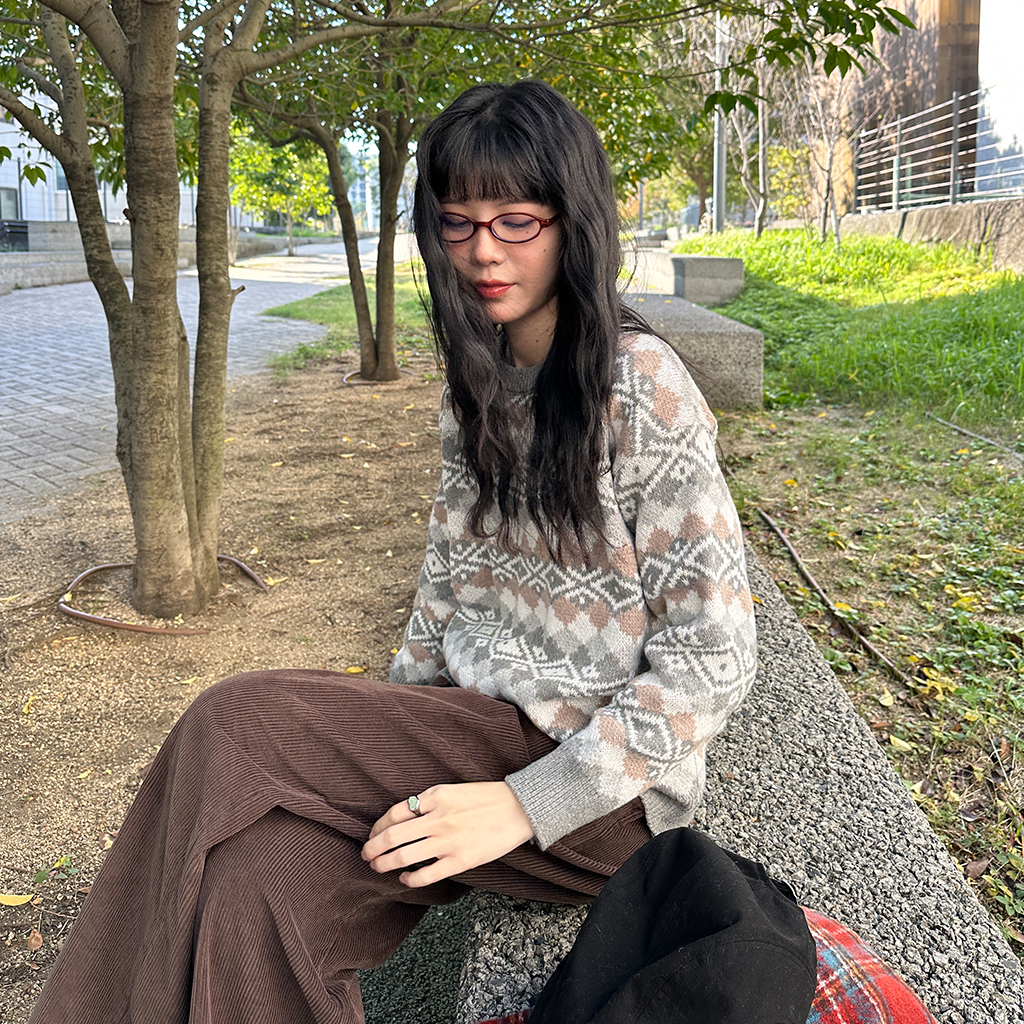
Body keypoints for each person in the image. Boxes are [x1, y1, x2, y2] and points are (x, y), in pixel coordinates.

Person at [27, 80, 756, 1024]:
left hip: (601, 789)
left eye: (516, 221)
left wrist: (528, 802)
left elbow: (716, 654)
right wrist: (379, 753)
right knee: (259, 882)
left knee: (230, 725)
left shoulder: (641, 386)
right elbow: (445, 590)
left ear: (575, 221)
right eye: (458, 223)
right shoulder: (477, 384)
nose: (483, 250)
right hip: (466, 740)